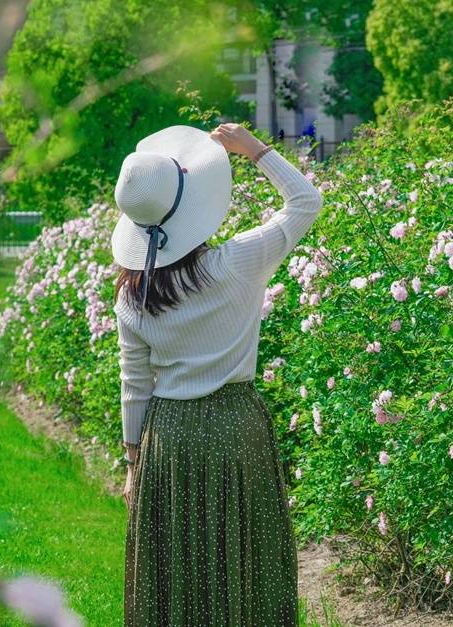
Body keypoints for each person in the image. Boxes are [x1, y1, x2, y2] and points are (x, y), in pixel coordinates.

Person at [110, 122, 323, 626]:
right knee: (245, 551)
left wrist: (132, 461)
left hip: (170, 437)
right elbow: (305, 202)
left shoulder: (132, 299)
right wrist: (255, 151)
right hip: (235, 426)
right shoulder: (238, 263)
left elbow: (134, 385)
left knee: (178, 563)